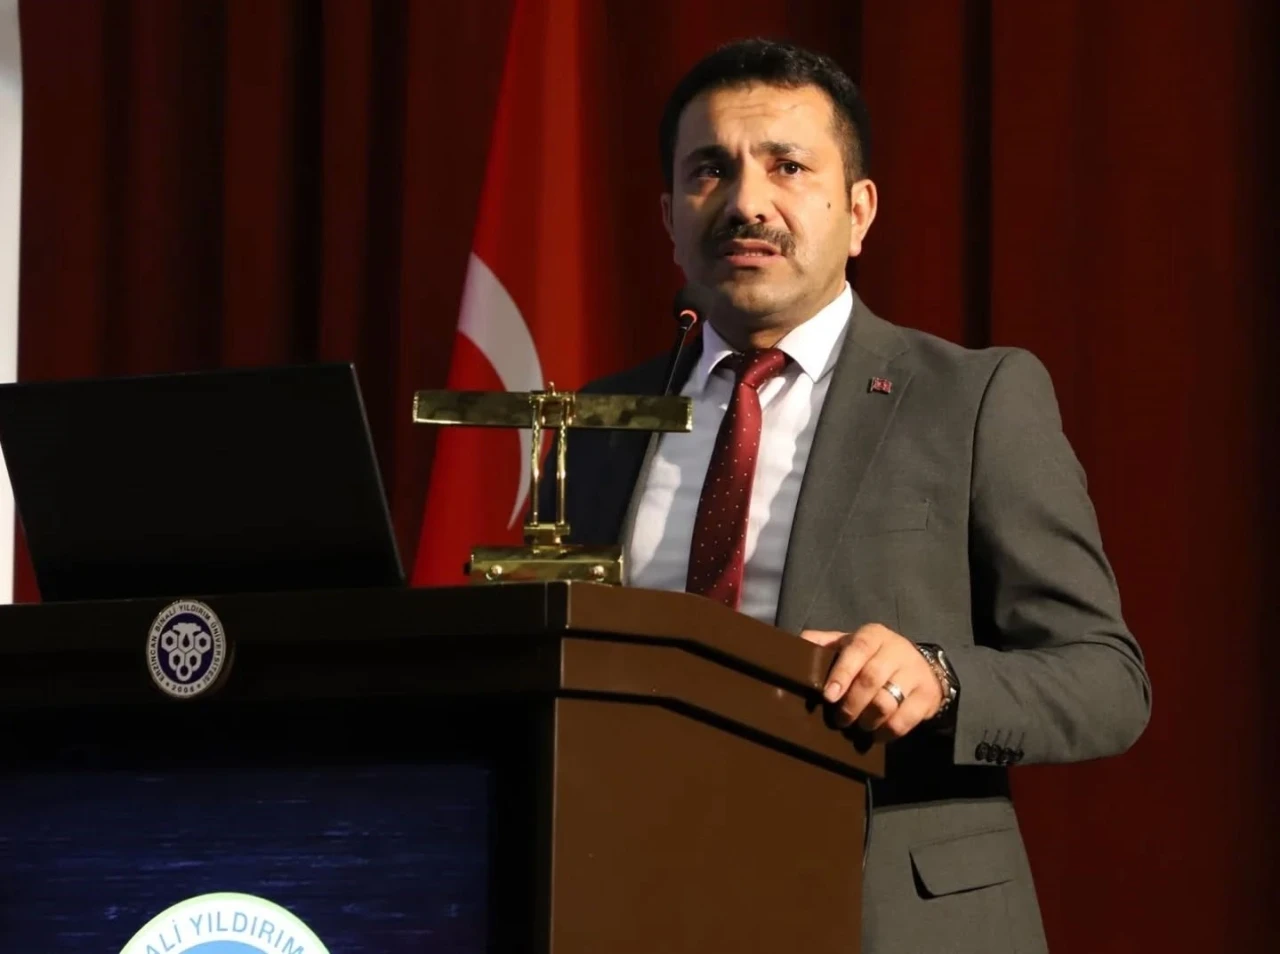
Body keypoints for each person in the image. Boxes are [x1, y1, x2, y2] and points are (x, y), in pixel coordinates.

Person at [543, 37, 1150, 953]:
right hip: (633, 902)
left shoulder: (973, 397)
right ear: (669, 215)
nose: (747, 202)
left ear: (859, 211)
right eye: (710, 170)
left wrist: (940, 679)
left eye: (788, 166)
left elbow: (1107, 680)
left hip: (886, 914)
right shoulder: (595, 420)